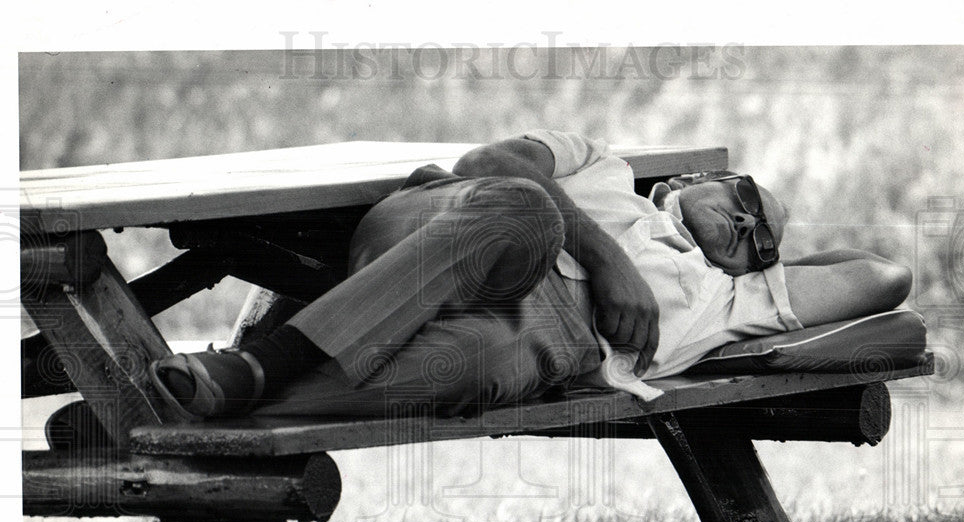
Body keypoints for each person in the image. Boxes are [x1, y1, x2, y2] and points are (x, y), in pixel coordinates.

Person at [150, 130, 912, 419]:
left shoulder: (728, 298)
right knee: (525, 209)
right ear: (686, 180)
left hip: (543, 336)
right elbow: (487, 165)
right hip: (453, 232)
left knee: (478, 367)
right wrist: (610, 260)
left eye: (758, 237)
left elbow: (883, 277)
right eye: (743, 196)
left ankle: (210, 400)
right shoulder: (602, 166)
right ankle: (265, 364)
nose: (746, 223)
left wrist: (774, 266)